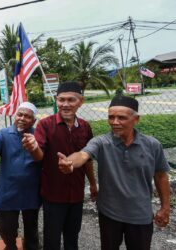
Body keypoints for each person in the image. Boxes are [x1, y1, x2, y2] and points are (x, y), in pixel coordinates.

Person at [58, 95, 170, 250]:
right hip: (110, 214)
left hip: (140, 215)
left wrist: (165, 207)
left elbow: (161, 176)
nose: (115, 122)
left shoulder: (152, 145)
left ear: (136, 119)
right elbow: (83, 154)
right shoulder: (102, 142)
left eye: (121, 118)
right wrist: (70, 163)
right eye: (111, 117)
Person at [22, 81, 98, 250]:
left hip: (77, 194)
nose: (65, 104)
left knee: (73, 237)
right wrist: (33, 148)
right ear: (56, 100)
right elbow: (39, 155)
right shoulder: (45, 125)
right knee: (52, 239)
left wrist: (93, 184)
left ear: (81, 102)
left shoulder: (85, 127)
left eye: (71, 100)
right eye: (61, 99)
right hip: (53, 195)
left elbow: (88, 160)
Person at [0, 102, 41, 250]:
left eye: (27, 116)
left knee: (31, 229)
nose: (22, 118)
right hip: (8, 192)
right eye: (19, 114)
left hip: (31, 192)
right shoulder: (3, 134)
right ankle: (10, 246)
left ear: (34, 121)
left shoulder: (38, 135)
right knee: (7, 229)